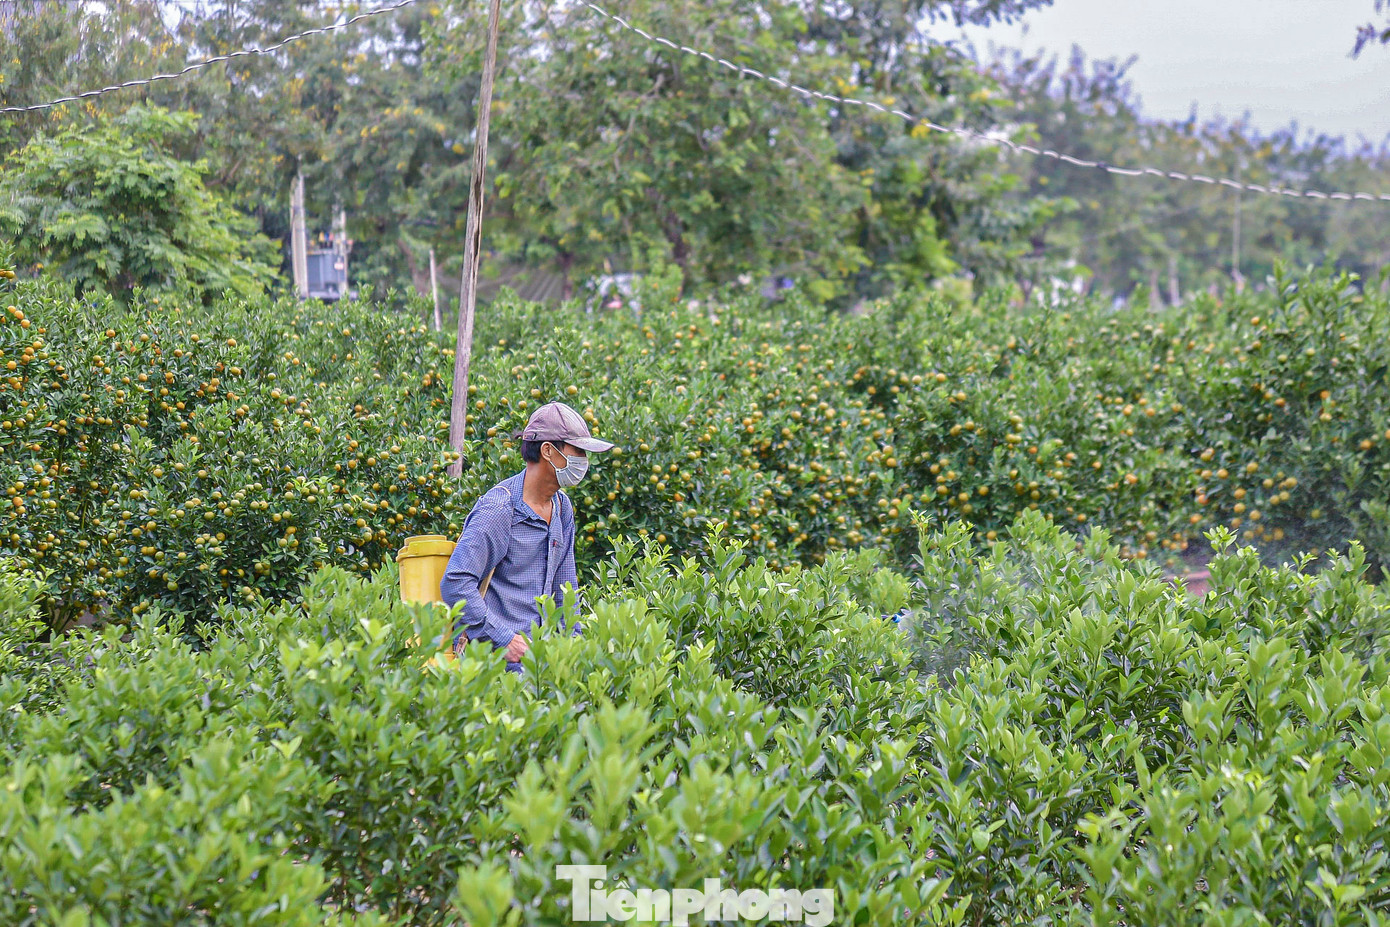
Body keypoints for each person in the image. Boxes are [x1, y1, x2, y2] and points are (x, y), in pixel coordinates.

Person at [440, 401, 615, 671]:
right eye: (578, 450)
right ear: (548, 451)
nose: (584, 461)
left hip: (541, 669)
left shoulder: (561, 507)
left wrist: (575, 653)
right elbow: (455, 583)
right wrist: (504, 639)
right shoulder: (500, 509)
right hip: (494, 670)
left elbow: (565, 591)